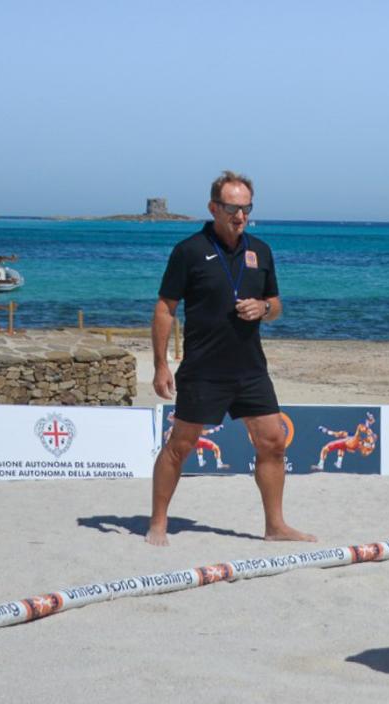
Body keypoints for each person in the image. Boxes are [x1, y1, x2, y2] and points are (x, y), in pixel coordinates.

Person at [146, 171, 314, 546]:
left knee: (272, 442)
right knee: (181, 445)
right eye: (232, 208)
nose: (240, 216)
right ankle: (158, 523)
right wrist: (160, 364)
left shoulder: (262, 251)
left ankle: (275, 526)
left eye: (246, 208)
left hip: (251, 368)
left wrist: (264, 307)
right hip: (204, 368)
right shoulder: (188, 251)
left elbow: (277, 305)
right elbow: (164, 308)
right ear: (214, 207)